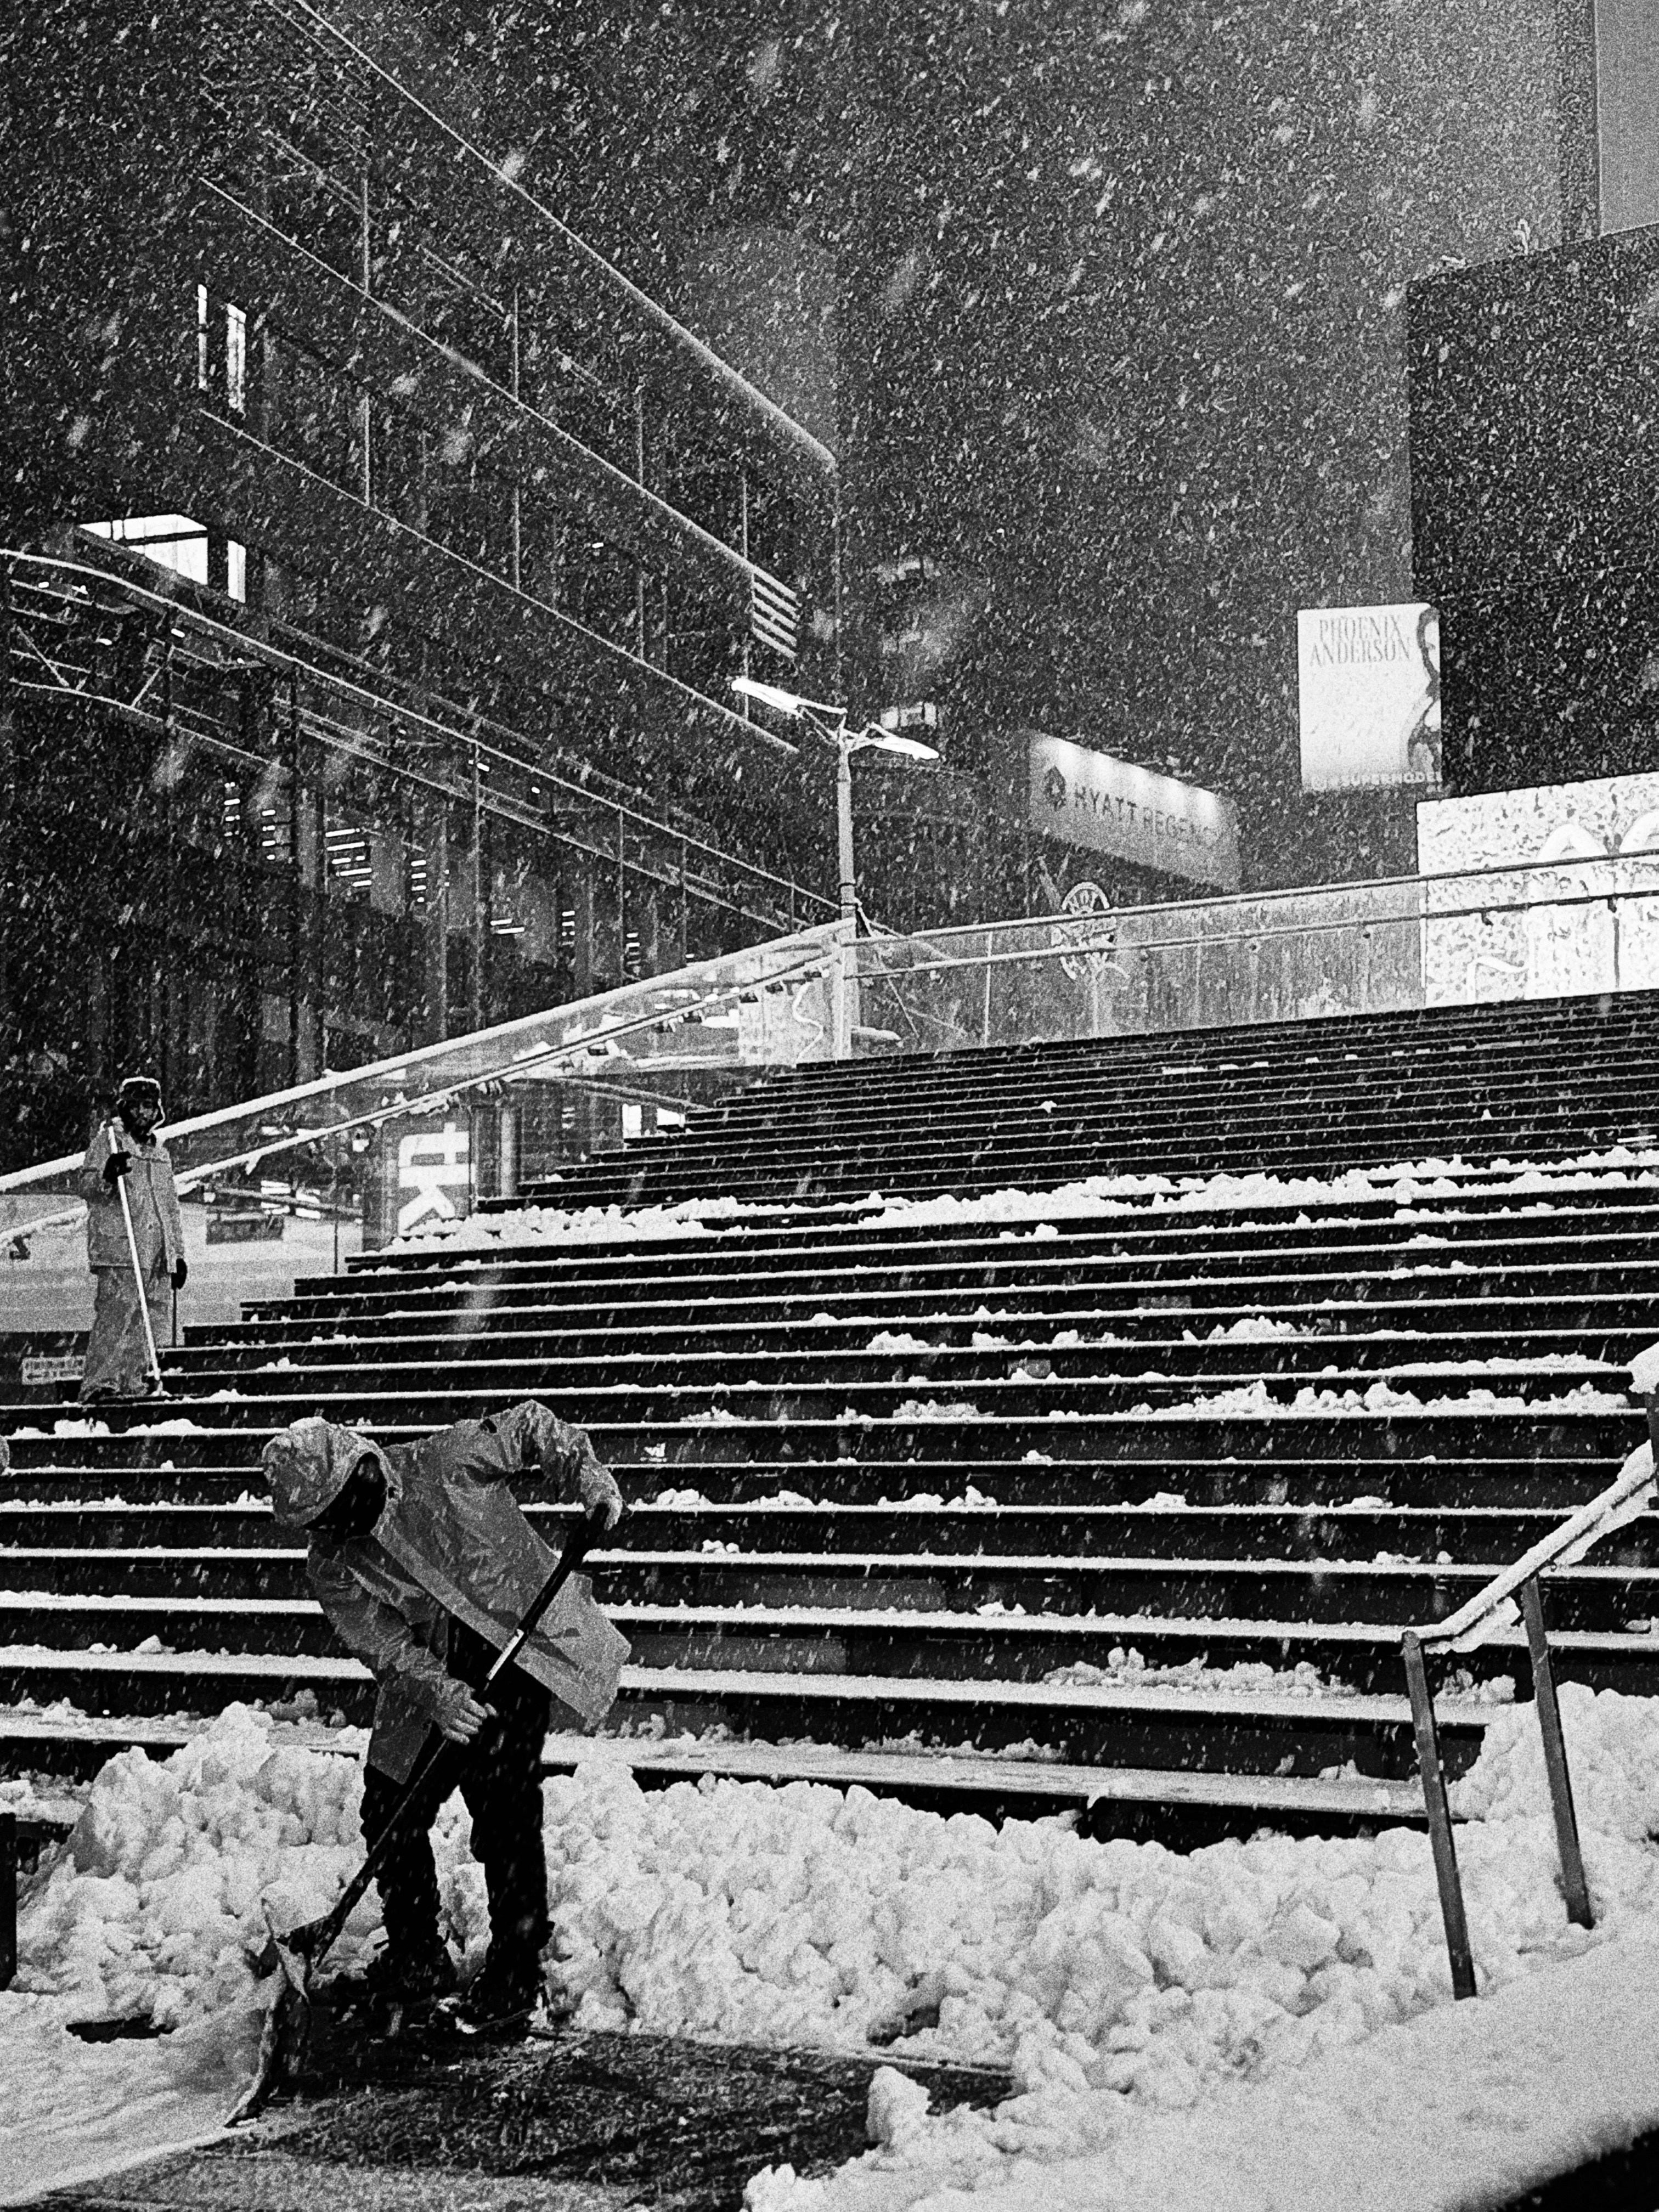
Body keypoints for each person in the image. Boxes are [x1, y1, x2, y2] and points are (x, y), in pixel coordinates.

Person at [260, 1400, 628, 2032]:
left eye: (361, 1493)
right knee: (388, 1801)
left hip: (517, 1642)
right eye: (338, 1516)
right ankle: (417, 1954)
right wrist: (442, 1695)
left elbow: (535, 1426)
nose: (361, 1514)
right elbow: (385, 1645)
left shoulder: (446, 1461)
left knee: (501, 1803)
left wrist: (590, 1482)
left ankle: (515, 1968)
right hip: (428, 1670)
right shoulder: (333, 1563)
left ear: (366, 1461)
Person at [77, 1074, 185, 1404]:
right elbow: (87, 1186)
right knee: (117, 1314)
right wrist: (108, 1175)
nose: (144, 1114)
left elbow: (169, 1207)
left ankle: (132, 1380)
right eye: (138, 1106)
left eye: (150, 1107)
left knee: (148, 1317)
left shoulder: (160, 1154)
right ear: (126, 1108)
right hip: (121, 1247)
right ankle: (100, 1383)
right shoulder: (110, 1141)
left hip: (155, 1251)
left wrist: (176, 1254)